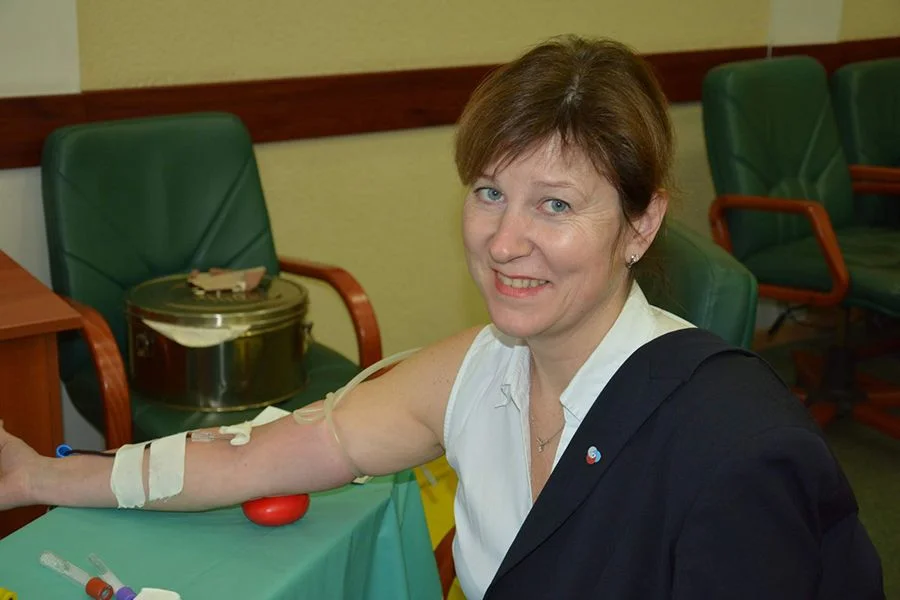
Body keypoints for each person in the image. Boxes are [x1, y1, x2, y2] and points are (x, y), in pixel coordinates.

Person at [0, 36, 884, 599]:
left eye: (554, 205)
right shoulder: (477, 371)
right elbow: (250, 457)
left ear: (641, 224)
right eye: (490, 192)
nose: (504, 241)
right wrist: (37, 475)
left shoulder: (733, 442)